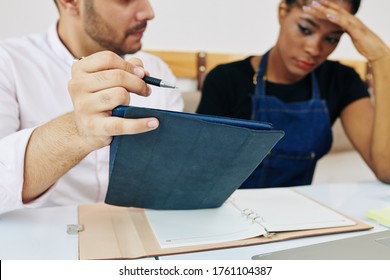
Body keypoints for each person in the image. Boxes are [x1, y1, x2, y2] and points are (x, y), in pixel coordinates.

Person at [0, 0, 183, 214]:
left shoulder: (156, 69)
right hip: (42, 238)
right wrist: (78, 131)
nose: (148, 12)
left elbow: (172, 176)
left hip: (142, 232)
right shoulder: (8, 63)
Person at [197, 0, 390, 188]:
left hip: (298, 214)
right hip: (229, 212)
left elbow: (386, 169)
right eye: (305, 29)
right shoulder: (226, 80)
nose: (313, 49)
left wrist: (382, 58)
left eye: (331, 39)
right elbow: (198, 171)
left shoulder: (341, 81)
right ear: (283, 11)